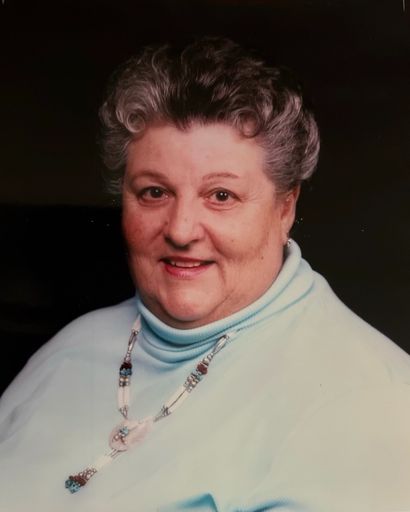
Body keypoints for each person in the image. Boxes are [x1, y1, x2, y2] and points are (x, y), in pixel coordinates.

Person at [0, 36, 410, 512]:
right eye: (154, 192)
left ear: (285, 208)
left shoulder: (370, 402)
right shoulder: (70, 349)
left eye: (221, 196)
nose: (180, 230)